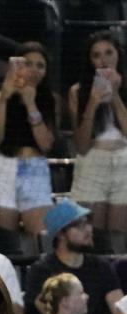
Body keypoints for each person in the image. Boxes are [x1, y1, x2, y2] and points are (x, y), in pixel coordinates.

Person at [0, 41, 58, 235]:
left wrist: (31, 104)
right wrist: (4, 98)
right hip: (3, 166)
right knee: (5, 238)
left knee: (42, 236)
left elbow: (46, 143)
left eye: (40, 65)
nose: (34, 70)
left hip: (34, 166)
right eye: (28, 63)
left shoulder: (50, 100)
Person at [23, 198, 123, 314]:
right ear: (61, 233)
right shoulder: (41, 270)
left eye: (89, 222)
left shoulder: (101, 266)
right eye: (80, 224)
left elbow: (120, 309)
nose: (88, 229)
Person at [69, 30, 127, 237]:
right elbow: (82, 146)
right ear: (90, 61)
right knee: (92, 235)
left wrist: (115, 96)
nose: (103, 60)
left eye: (109, 53)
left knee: (120, 238)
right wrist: (93, 102)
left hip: (124, 163)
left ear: (118, 55)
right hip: (93, 162)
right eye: (96, 55)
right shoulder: (78, 92)